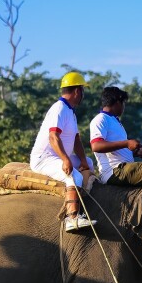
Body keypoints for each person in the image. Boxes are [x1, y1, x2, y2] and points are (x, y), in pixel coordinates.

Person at [30, 71, 97, 232]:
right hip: (44, 159)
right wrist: (66, 160)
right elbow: (53, 137)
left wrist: (81, 159)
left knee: (88, 162)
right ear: (77, 91)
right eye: (82, 90)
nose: (83, 94)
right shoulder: (59, 108)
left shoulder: (70, 111)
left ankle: (83, 198)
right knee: (75, 175)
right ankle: (72, 219)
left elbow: (75, 140)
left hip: (56, 157)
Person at [89, 86, 142, 187]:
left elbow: (119, 150)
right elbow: (96, 146)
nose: (124, 107)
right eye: (123, 103)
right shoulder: (100, 119)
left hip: (123, 167)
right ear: (118, 102)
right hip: (114, 170)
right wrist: (127, 143)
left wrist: (136, 153)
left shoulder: (114, 121)